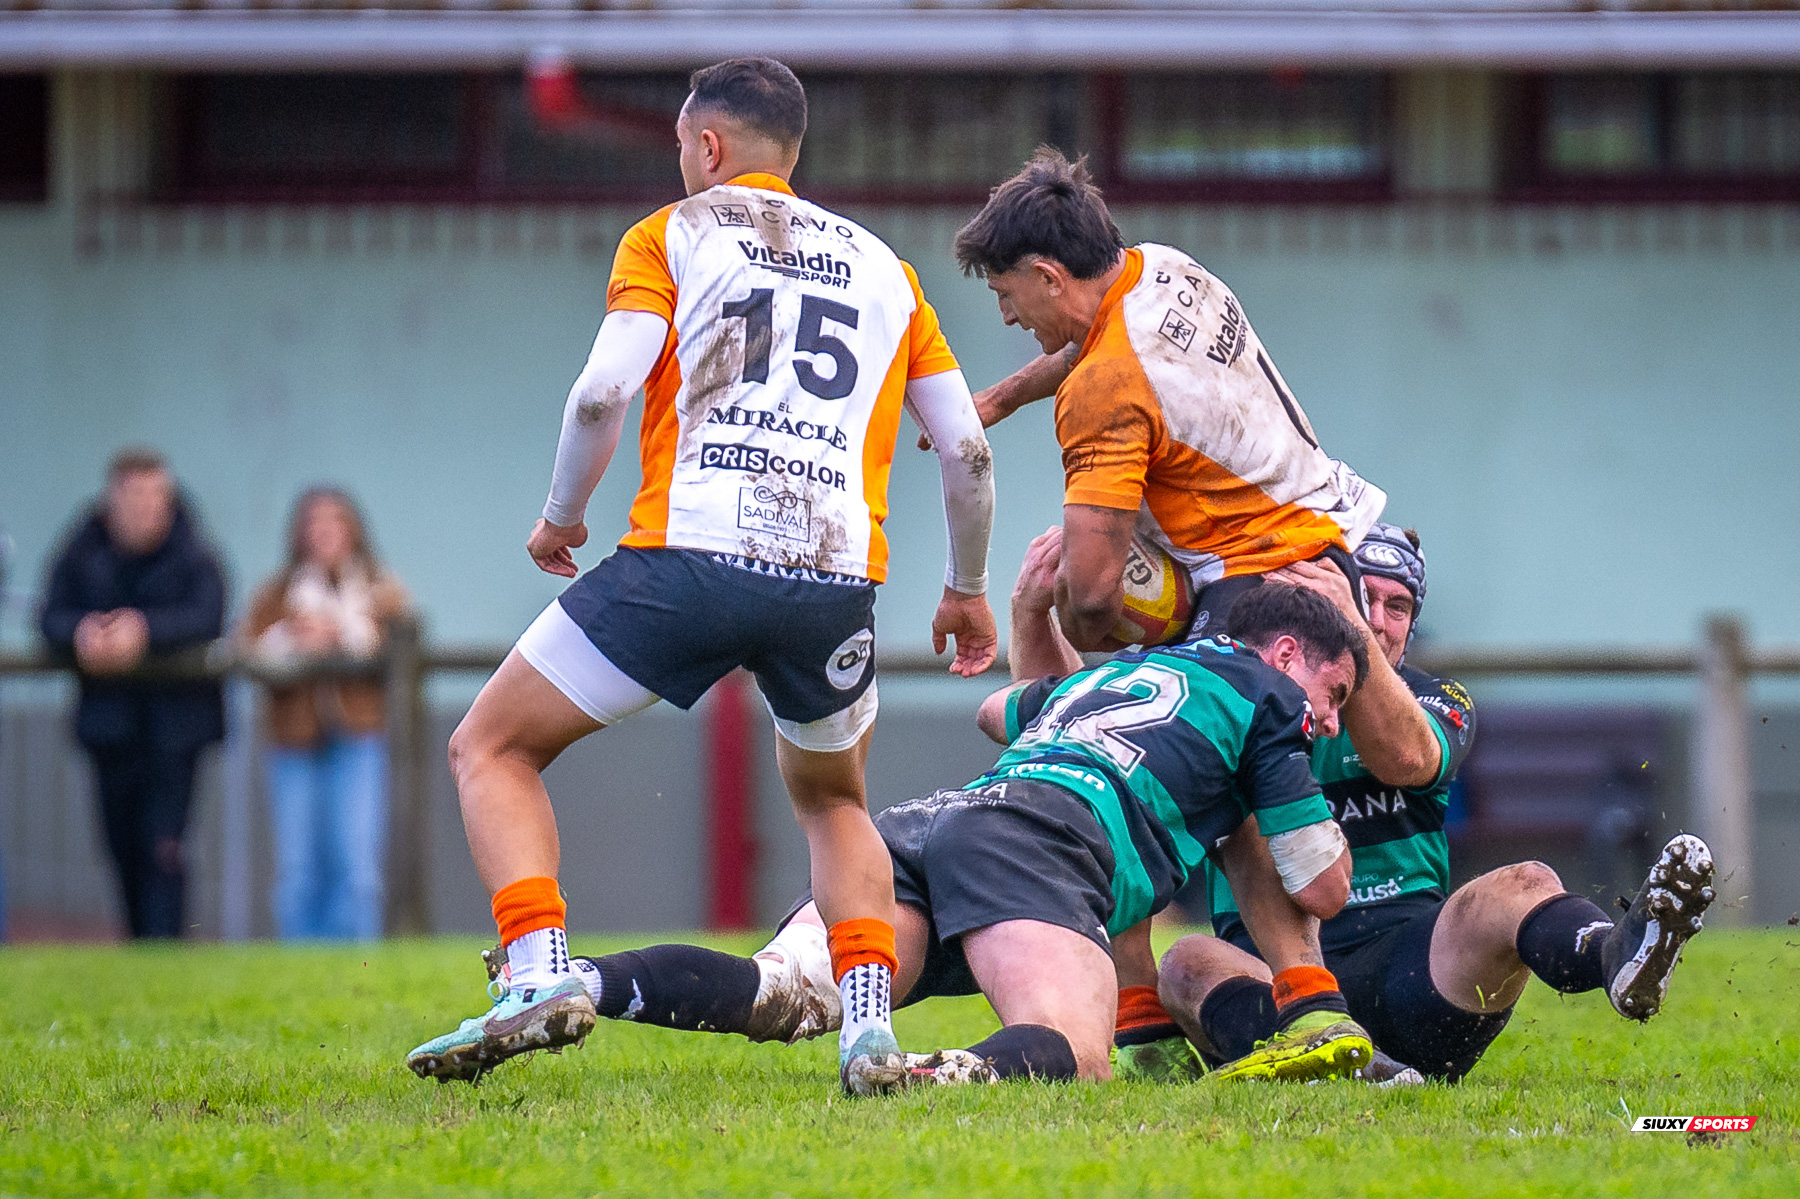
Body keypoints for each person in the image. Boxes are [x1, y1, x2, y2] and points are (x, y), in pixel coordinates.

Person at [407, 58, 998, 1096]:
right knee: (833, 801)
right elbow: (967, 451)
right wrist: (965, 584)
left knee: (490, 744)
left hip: (688, 555)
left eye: (684, 145)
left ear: (709, 147)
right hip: (831, 577)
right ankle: (866, 1030)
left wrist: (560, 516)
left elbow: (601, 393)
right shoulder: (886, 270)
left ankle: (538, 972)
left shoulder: (670, 235)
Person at [470, 557, 1377, 1088]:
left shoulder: (1133, 669)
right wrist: (1259, 804)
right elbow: (1321, 884)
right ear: (1286, 653)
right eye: (1334, 694)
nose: (1331, 720)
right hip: (1044, 841)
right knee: (1075, 1050)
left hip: (938, 819)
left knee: (786, 990)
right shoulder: (1267, 698)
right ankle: (926, 1077)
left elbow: (1000, 716)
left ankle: (578, 979)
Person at [1156, 525, 1716, 1082]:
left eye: (1395, 607)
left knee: (1524, 882)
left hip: (1413, 970)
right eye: (1360, 597)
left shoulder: (1439, 698)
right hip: (1275, 980)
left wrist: (1347, 629)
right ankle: (1350, 1069)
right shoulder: (1231, 701)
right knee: (1185, 963)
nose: (1374, 620)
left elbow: (1407, 758)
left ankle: (1617, 956)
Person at [948, 148, 1386, 649]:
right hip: (1329, 548)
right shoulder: (1161, 266)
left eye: (1005, 293)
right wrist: (998, 401)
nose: (1007, 314)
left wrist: (1072, 611)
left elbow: (1091, 599)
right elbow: (1097, 347)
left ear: (1049, 278)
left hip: (1257, 595)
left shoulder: (1102, 389)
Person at [39, 448, 226, 939]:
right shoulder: (83, 550)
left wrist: (144, 632)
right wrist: (81, 632)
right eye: (134, 498)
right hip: (111, 729)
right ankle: (137, 949)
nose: (145, 509)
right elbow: (49, 615)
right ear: (112, 501)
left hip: (177, 731)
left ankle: (165, 952)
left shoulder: (195, 552)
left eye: (154, 498)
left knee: (164, 849)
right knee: (121, 847)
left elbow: (208, 616)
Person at [240, 488, 410, 940]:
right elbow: (250, 650)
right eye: (313, 522)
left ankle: (356, 966)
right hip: (293, 744)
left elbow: (400, 643)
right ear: (298, 533)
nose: (324, 531)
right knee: (297, 868)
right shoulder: (276, 594)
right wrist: (294, 636)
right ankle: (301, 968)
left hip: (359, 740)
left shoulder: (381, 589)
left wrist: (339, 632)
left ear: (353, 528)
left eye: (334, 520)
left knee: (358, 867)